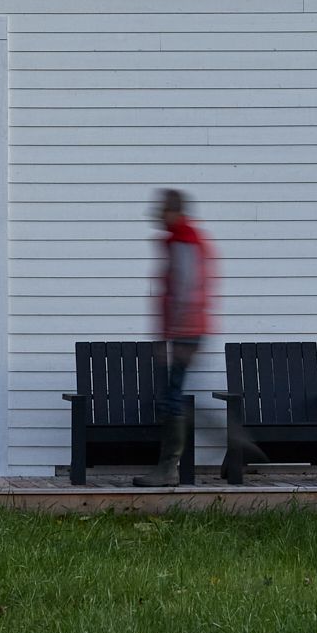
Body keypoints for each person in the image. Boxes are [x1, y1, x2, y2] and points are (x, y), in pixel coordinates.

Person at [137, 190, 217, 485]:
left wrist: (177, 336)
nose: (158, 216)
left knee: (172, 398)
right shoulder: (182, 240)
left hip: (186, 331)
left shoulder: (183, 241)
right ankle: (231, 436)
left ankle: (168, 469)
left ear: (173, 212)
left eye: (162, 211)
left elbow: (186, 289)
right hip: (185, 331)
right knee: (174, 396)